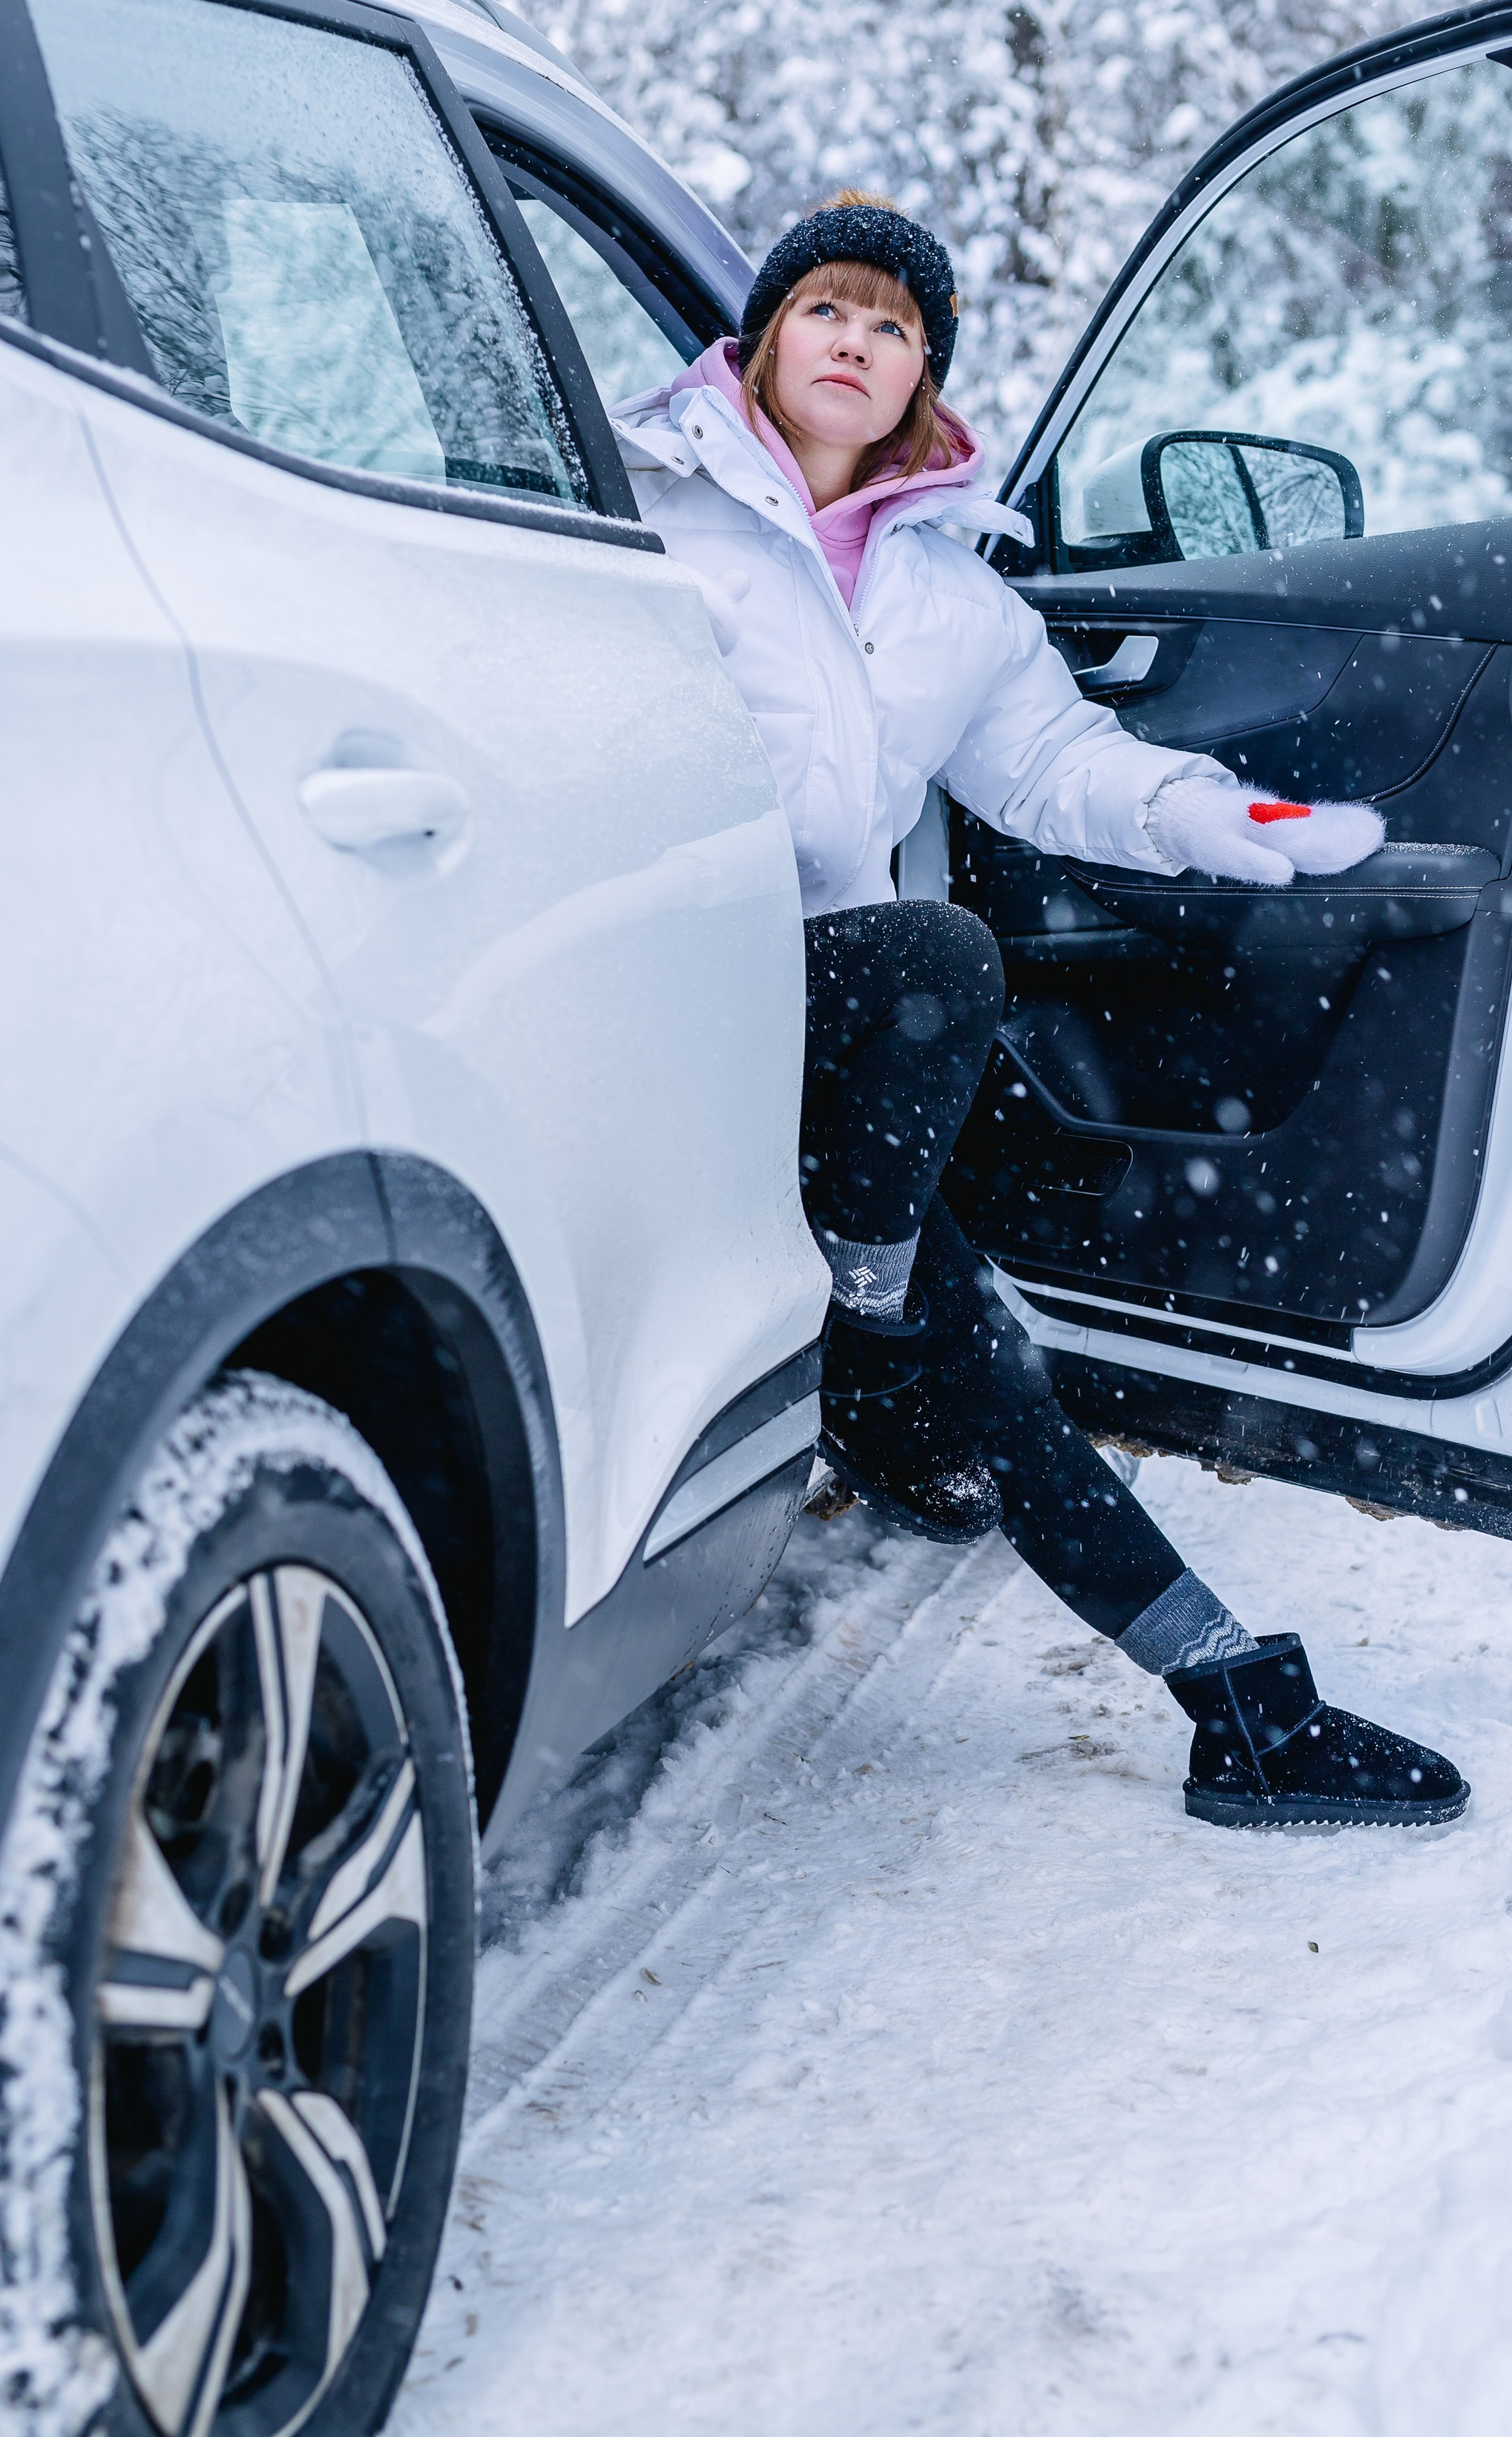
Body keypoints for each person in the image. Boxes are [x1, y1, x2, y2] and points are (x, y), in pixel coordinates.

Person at [612, 194, 1467, 1830]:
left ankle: (1239, 1706)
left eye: (892, 326)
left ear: (921, 376)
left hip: (801, 1023)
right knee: (937, 967)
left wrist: (1213, 814)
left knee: (992, 1368)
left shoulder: (950, 598)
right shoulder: (638, 506)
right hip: (651, 980)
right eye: (825, 309)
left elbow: (1058, 764)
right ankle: (868, 1325)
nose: (854, 342)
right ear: (763, 338)